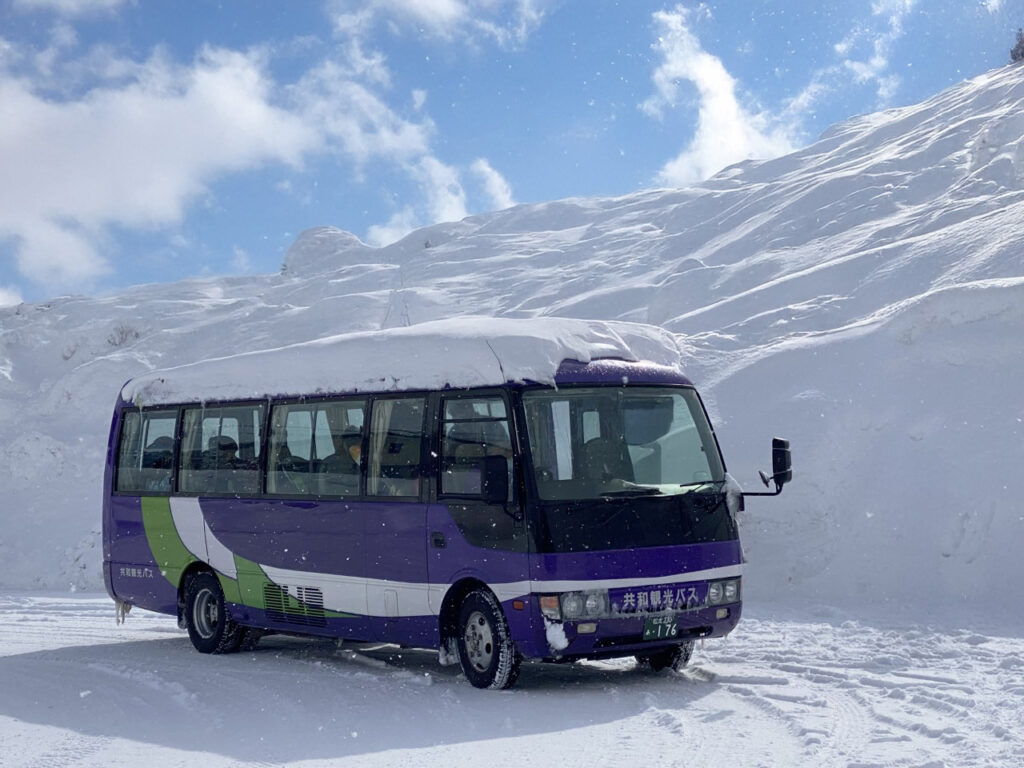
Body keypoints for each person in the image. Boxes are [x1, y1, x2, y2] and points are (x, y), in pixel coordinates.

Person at [320, 427, 361, 495]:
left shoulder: (362, 462)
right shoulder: (329, 463)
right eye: (350, 441)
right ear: (343, 443)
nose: (354, 444)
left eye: (356, 441)